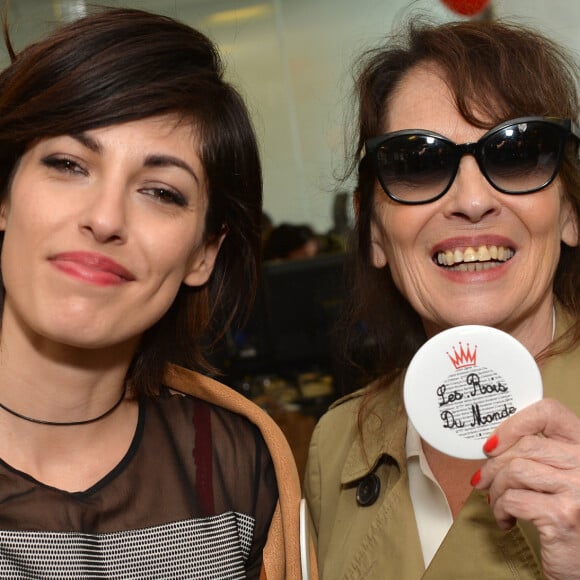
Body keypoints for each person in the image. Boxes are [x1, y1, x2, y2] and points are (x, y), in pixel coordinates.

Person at [0, 7, 307, 579]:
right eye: (68, 164)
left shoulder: (235, 462)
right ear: (4, 198)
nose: (104, 217)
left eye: (162, 192)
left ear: (203, 254)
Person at [304, 18, 580, 579]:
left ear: (571, 211)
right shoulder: (336, 445)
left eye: (517, 153)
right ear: (374, 231)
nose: (473, 201)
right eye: (417, 163)